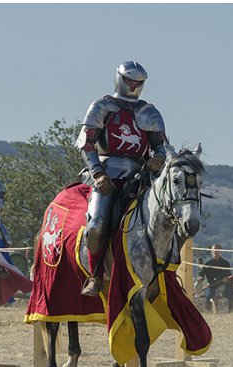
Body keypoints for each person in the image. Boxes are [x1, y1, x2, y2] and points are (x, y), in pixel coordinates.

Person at [75, 60, 169, 296]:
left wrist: (157, 158)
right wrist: (97, 173)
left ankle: (160, 273)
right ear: (119, 78)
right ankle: (95, 276)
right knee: (96, 224)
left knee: (166, 216)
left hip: (141, 177)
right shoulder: (102, 106)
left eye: (138, 82)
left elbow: (162, 146)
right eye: (129, 80)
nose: (133, 85)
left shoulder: (149, 112)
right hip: (107, 174)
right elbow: (84, 142)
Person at [198, 244, 233, 312]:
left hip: (222, 284)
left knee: (231, 294)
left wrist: (227, 280)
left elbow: (229, 276)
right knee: (209, 295)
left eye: (217, 251)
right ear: (211, 251)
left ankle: (232, 312)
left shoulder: (225, 263)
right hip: (210, 285)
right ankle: (208, 313)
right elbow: (201, 274)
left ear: (220, 251)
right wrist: (200, 278)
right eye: (214, 251)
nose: (216, 252)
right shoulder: (208, 263)